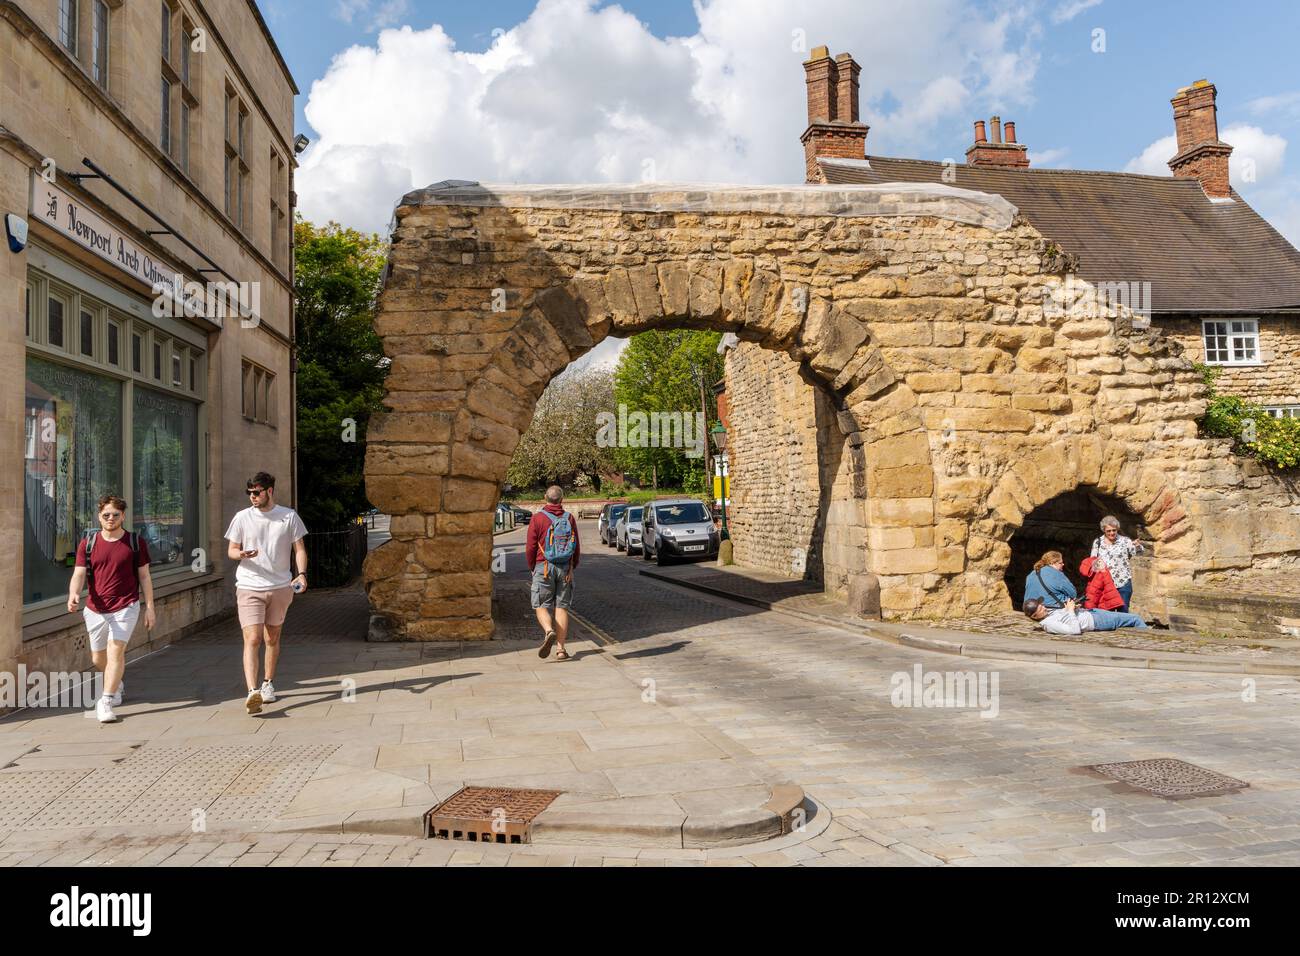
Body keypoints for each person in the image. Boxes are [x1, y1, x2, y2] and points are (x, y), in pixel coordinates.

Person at [224, 472, 308, 715]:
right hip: (249, 585)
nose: (253, 497)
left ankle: (268, 683)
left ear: (269, 491)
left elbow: (299, 549)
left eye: (257, 492)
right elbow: (231, 549)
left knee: (272, 638)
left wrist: (301, 574)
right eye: (249, 493)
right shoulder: (242, 518)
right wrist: (239, 555)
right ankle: (252, 691)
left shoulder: (288, 516)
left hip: (280, 586)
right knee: (252, 638)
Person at [67, 494, 155, 723]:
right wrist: (74, 593)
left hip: (126, 605)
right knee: (98, 659)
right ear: (99, 516)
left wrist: (150, 607)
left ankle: (106, 699)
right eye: (106, 514)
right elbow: (79, 573)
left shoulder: (135, 543)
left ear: (123, 516)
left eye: (115, 514)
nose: (110, 518)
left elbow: (144, 576)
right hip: (95, 608)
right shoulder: (88, 543)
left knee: (116, 652)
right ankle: (116, 681)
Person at [526, 485, 580, 661]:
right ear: (562, 500)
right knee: (561, 607)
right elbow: (576, 546)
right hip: (564, 568)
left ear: (545, 498)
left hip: (544, 567)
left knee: (540, 605)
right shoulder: (569, 518)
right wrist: (572, 567)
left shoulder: (537, 519)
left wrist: (532, 566)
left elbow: (531, 547)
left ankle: (549, 631)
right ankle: (561, 650)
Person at [1091, 516, 1146, 612]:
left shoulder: (1125, 541)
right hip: (1105, 584)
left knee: (1123, 612)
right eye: (1108, 531)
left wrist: (1137, 546)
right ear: (1104, 530)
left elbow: (1138, 552)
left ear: (1117, 529)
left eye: (1114, 530)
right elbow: (1093, 562)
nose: (1112, 533)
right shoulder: (1098, 542)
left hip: (1123, 583)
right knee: (1107, 613)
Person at [1023, 597, 1148, 635]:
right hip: (1097, 621)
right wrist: (1071, 611)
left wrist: (1070, 608)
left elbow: (1065, 616)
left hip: (1092, 612)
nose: (1044, 607)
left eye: (1042, 605)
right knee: (1135, 618)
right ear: (1034, 616)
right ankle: (1146, 638)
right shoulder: (1049, 624)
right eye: (1040, 608)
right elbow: (1074, 630)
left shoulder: (1048, 615)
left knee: (1131, 618)